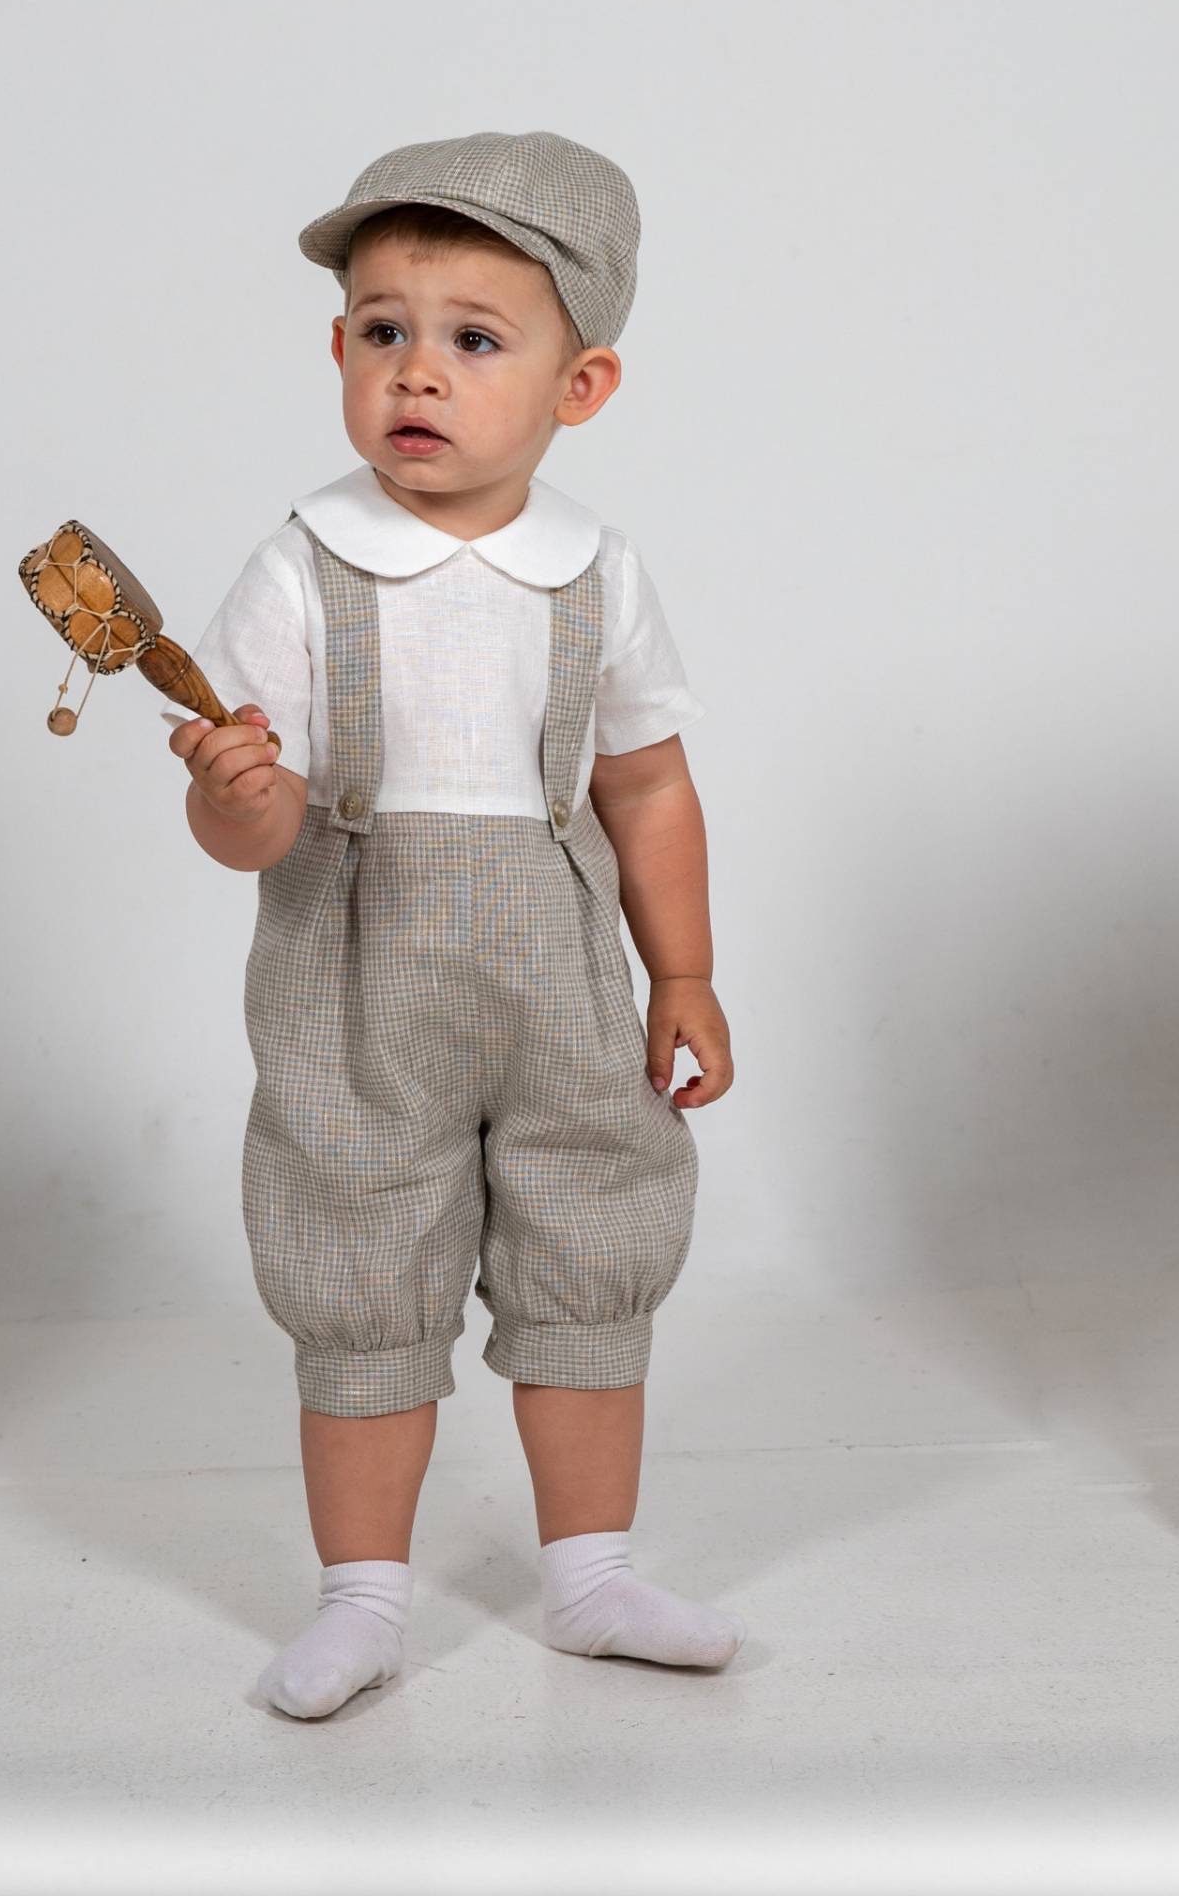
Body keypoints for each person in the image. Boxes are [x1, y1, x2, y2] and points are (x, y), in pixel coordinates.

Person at [160, 130, 746, 1720]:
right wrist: (236, 790)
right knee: (359, 1246)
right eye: (382, 331)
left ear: (582, 386)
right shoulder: (305, 563)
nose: (418, 372)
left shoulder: (593, 573)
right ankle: (361, 1598)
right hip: (358, 970)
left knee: (591, 1230)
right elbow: (254, 828)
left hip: (559, 973)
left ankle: (592, 1575)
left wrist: (681, 969)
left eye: (474, 339)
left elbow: (644, 786)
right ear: (337, 350)